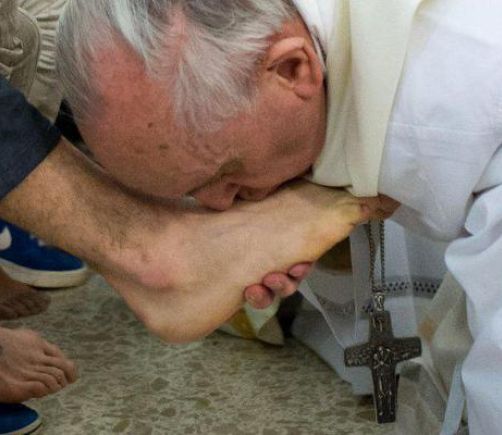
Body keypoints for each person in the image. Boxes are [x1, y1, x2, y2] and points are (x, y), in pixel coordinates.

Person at [54, 1, 502, 433]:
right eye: (183, 194)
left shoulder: (461, 110)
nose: (217, 209)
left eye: (227, 174)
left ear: (292, 70)